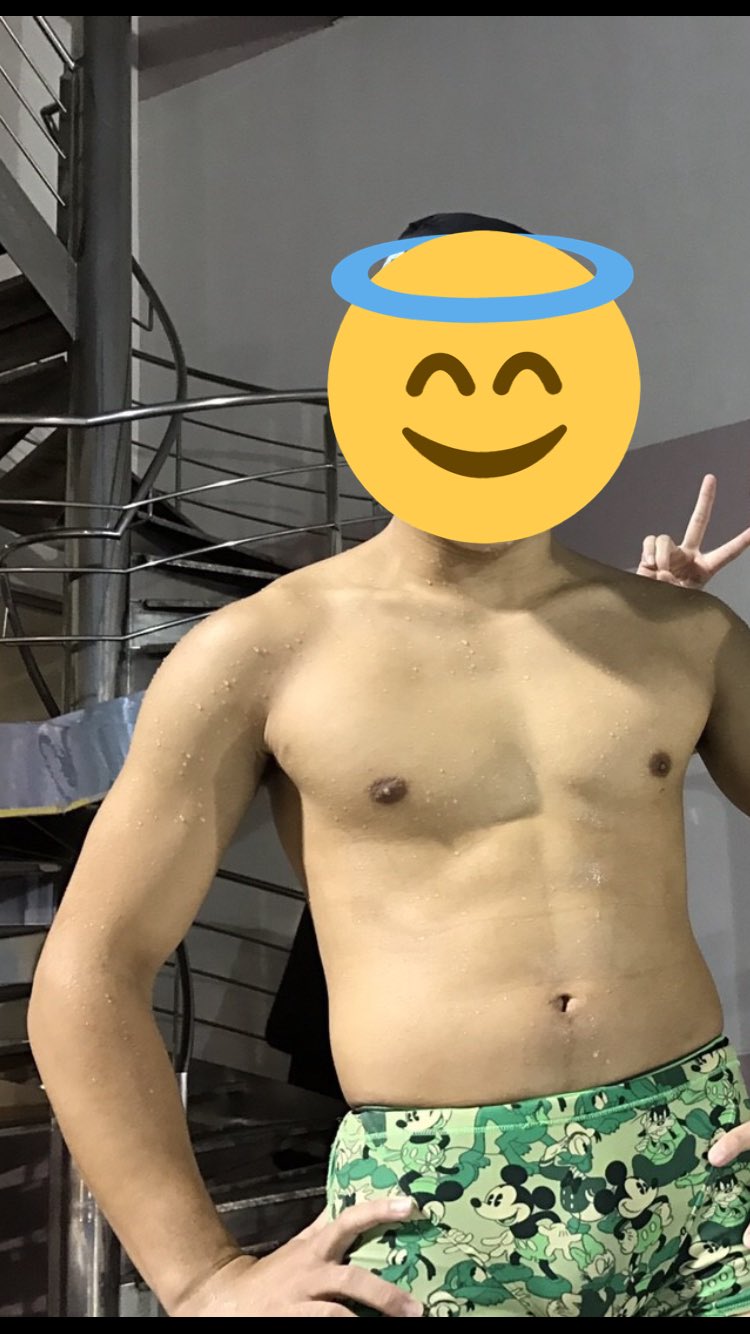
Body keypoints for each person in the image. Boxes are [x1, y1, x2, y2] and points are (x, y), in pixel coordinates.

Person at [28, 213, 750, 1319]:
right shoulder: (262, 650)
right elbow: (92, 964)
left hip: (702, 1161)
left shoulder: (681, 633)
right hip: (438, 1200)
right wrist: (201, 1276)